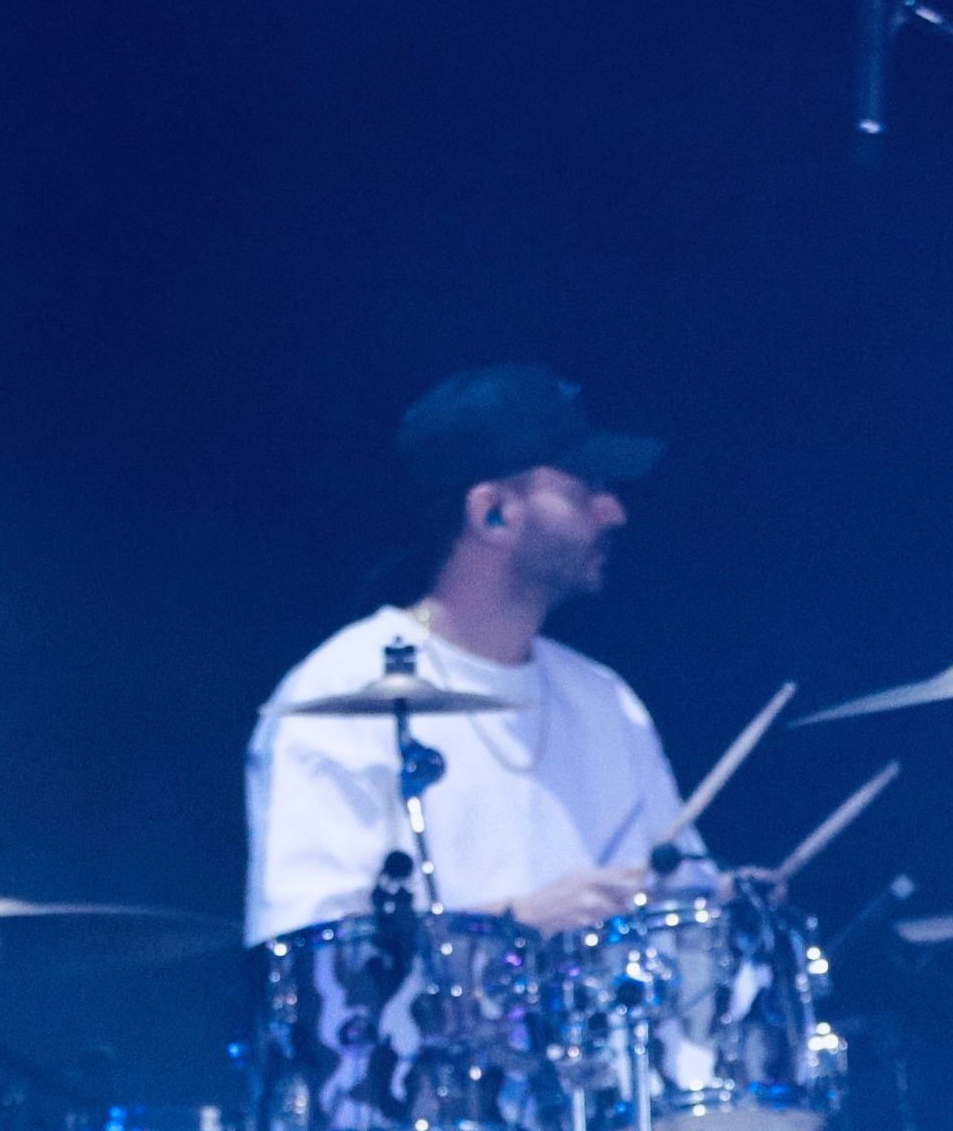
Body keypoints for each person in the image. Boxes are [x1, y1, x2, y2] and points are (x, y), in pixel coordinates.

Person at [244, 365, 680, 943]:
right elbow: (308, 954)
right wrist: (511, 927)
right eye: (586, 485)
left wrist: (730, 911)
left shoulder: (606, 701)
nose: (613, 511)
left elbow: (682, 903)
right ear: (492, 513)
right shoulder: (338, 697)